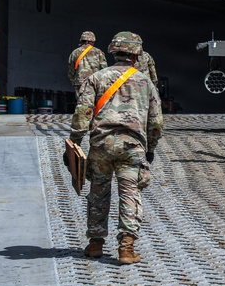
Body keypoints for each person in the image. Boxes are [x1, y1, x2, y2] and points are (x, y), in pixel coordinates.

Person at [69, 31, 163, 264]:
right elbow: (156, 122)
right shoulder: (145, 82)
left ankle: (95, 244)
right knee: (130, 193)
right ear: (136, 54)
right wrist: (150, 148)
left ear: (113, 52)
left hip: (101, 145)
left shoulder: (97, 78)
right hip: (132, 147)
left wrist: (75, 143)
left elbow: (83, 113)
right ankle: (126, 249)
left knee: (98, 192)